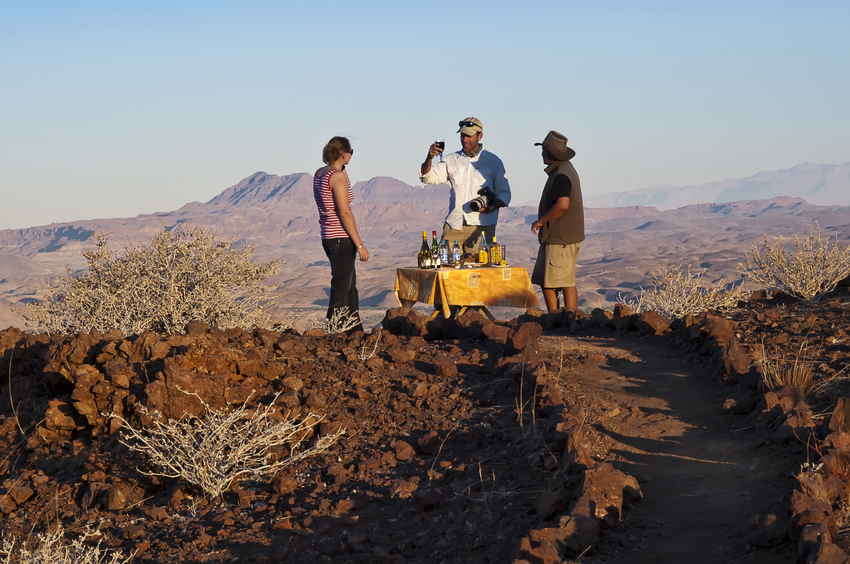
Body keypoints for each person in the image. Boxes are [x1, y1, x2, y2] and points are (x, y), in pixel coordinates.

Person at [420, 117, 511, 254]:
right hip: (454, 225)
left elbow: (504, 194)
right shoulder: (451, 160)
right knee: (446, 268)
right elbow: (427, 177)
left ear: (479, 136)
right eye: (462, 135)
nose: (465, 140)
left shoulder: (493, 161)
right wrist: (429, 158)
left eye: (468, 136)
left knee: (479, 272)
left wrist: (490, 207)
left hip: (482, 226)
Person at [313, 136, 369, 332]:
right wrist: (360, 245)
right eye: (351, 152)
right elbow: (344, 212)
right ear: (344, 154)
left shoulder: (320, 173)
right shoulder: (336, 177)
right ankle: (334, 328)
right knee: (341, 285)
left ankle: (355, 328)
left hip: (327, 236)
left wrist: (342, 167)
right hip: (340, 236)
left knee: (349, 284)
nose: (352, 155)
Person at [530, 130, 585, 312]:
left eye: (544, 149)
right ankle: (555, 318)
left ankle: (567, 321)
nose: (541, 153)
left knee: (564, 281)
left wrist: (540, 221)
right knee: (547, 280)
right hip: (555, 238)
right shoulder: (563, 170)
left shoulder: (561, 174)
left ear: (550, 153)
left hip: (560, 238)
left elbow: (562, 205)